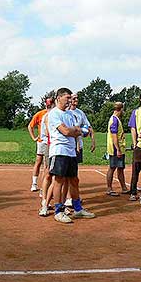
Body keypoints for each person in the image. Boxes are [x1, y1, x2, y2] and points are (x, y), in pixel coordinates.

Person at [47, 88, 94, 223]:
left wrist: (77, 130)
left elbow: (80, 131)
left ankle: (78, 209)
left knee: (74, 180)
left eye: (70, 98)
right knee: (59, 181)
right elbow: (66, 131)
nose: (70, 100)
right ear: (59, 98)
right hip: (59, 151)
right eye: (67, 98)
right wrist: (77, 130)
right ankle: (58, 211)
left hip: (71, 151)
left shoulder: (69, 114)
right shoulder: (54, 114)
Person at [63, 93, 96, 208]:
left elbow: (88, 127)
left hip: (78, 147)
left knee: (74, 173)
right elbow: (71, 130)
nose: (76, 100)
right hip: (69, 146)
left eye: (77, 98)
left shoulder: (80, 113)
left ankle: (74, 196)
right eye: (73, 98)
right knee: (67, 175)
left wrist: (93, 141)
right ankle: (67, 198)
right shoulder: (66, 113)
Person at [106, 102, 129, 196]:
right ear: (121, 109)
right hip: (116, 149)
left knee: (120, 168)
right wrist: (118, 149)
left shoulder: (116, 119)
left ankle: (124, 188)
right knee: (112, 168)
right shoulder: (114, 120)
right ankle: (109, 189)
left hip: (119, 148)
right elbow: (114, 135)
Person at [28, 106, 48, 192]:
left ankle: (44, 187)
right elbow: (30, 126)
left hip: (51, 142)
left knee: (46, 164)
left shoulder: (55, 113)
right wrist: (34, 138)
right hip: (41, 141)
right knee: (38, 161)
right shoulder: (40, 114)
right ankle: (34, 184)